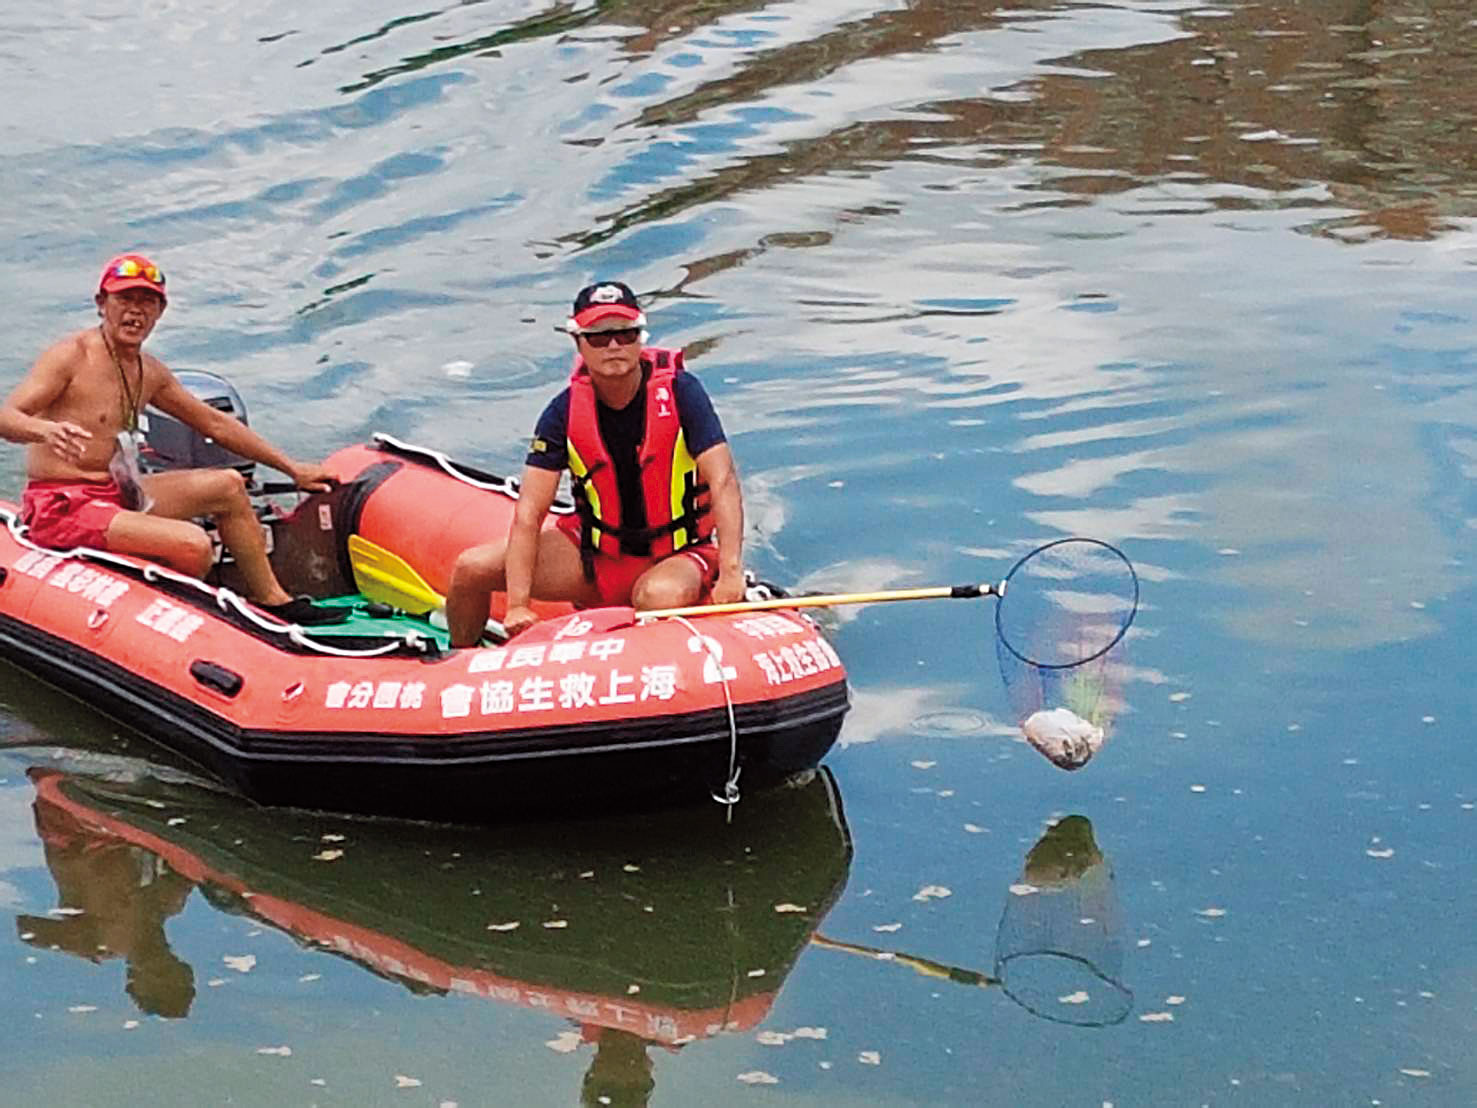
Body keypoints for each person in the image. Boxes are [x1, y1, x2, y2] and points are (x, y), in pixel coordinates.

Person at [0, 253, 348, 625]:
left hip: (114, 491)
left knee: (229, 485)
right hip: (63, 505)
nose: (135, 312)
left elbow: (215, 424)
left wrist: (292, 469)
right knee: (193, 544)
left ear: (160, 312)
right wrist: (44, 430)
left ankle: (273, 600)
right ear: (102, 304)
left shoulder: (148, 372)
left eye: (147, 302)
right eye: (125, 299)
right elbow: (7, 417)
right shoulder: (71, 356)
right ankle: (173, 619)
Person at [446, 281, 745, 646]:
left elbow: (723, 480)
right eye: (599, 337)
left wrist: (731, 571)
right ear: (579, 343)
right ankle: (461, 661)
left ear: (640, 338)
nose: (614, 346)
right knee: (470, 569)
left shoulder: (683, 393)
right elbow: (529, 513)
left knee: (657, 597)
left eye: (625, 334)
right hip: (597, 555)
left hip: (679, 553)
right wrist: (518, 605)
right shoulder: (563, 412)